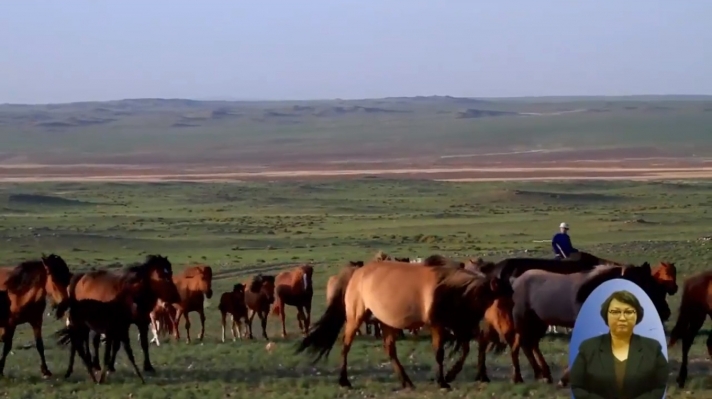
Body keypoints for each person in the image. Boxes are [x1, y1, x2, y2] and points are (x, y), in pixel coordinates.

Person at [570, 290, 669, 399]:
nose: (622, 318)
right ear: (606, 315)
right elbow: (577, 386)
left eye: (628, 312)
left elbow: (660, 386)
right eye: (615, 312)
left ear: (637, 316)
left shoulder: (653, 348)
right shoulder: (588, 348)